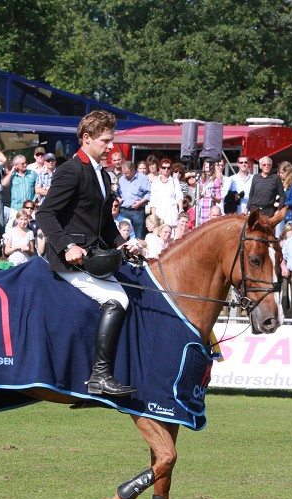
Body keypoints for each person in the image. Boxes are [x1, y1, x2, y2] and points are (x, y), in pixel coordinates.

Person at [36, 109, 141, 397]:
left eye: (112, 140)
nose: (111, 147)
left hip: (95, 259)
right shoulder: (70, 170)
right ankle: (99, 377)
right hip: (71, 262)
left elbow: (106, 224)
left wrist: (122, 243)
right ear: (86, 138)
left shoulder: (104, 176)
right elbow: (45, 214)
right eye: (106, 141)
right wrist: (67, 246)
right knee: (116, 298)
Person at [117, 160, 150, 239]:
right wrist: (118, 198)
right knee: (123, 234)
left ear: (133, 170)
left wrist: (141, 202)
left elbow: (149, 193)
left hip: (137, 211)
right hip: (123, 210)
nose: (125, 175)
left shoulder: (142, 178)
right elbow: (117, 192)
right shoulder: (121, 179)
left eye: (127, 173)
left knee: (138, 235)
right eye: (124, 173)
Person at [149, 158, 182, 230]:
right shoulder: (155, 183)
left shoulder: (175, 181)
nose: (166, 169)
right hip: (160, 213)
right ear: (160, 168)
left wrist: (181, 210)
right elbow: (153, 201)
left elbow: (179, 197)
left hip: (172, 214)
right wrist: (154, 216)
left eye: (168, 168)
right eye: (164, 167)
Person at [277, 161, 292, 237]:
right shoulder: (278, 183)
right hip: (279, 215)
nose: (280, 175)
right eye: (279, 173)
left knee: (290, 238)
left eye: (282, 173)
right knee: (278, 237)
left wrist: (282, 204)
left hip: (290, 215)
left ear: (288, 172)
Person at [196, 159, 221, 225]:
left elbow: (219, 200)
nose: (209, 169)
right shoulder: (199, 180)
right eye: (207, 167)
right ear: (203, 168)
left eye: (210, 167)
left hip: (210, 211)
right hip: (200, 211)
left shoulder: (215, 181)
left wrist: (212, 196)